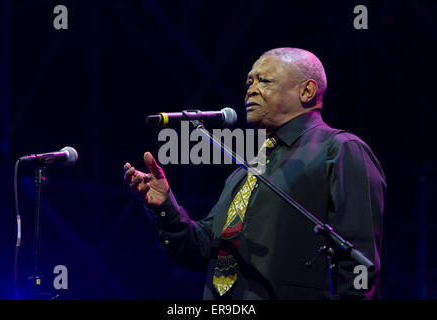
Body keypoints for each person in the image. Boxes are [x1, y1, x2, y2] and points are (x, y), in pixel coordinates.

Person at [123, 47, 386, 300]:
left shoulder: (341, 150)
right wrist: (164, 207)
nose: (251, 90)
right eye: (249, 82)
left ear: (307, 90)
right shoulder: (244, 173)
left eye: (265, 81)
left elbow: (359, 262)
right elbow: (203, 250)